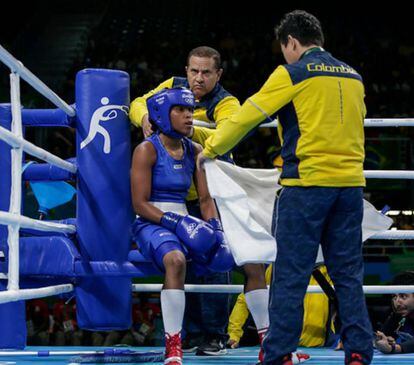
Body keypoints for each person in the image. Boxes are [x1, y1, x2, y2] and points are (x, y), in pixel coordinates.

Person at [198, 10, 373, 365]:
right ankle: (357, 353)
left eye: (285, 49)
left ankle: (277, 354)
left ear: (292, 42)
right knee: (348, 276)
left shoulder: (292, 72)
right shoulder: (353, 76)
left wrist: (211, 148)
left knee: (290, 276)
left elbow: (248, 114)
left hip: (306, 186)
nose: (285, 55)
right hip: (351, 187)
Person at [130, 46, 240, 355]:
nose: (198, 78)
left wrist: (179, 129)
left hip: (208, 192)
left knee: (217, 261)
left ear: (218, 74)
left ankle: (215, 334)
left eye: (206, 72)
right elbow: (139, 103)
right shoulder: (172, 85)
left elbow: (229, 133)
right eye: (194, 71)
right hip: (173, 199)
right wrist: (146, 119)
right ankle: (188, 334)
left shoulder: (226, 102)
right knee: (180, 264)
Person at [375, 271, 414, 354]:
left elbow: (392, 348)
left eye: (403, 296)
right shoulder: (399, 314)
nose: (397, 302)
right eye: (394, 296)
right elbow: (382, 335)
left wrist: (393, 348)